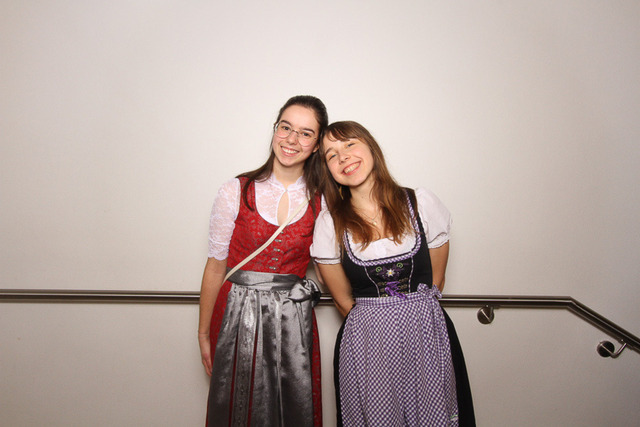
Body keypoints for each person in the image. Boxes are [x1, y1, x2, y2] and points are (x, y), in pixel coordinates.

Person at [311, 121, 475, 426]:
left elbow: (436, 280)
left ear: (371, 147)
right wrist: (382, 325)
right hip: (368, 343)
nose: (343, 156)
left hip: (426, 333)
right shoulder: (330, 224)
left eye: (350, 144)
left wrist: (411, 317)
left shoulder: (420, 203)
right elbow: (344, 301)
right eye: (331, 155)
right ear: (328, 170)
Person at [198, 95, 328, 427]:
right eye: (285, 127)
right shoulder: (236, 190)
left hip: (292, 318)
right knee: (236, 406)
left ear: (316, 145)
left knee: (292, 407)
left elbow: (332, 265)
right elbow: (216, 266)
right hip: (235, 314)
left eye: (305, 133)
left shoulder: (322, 200)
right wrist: (203, 333)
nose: (291, 139)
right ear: (275, 130)